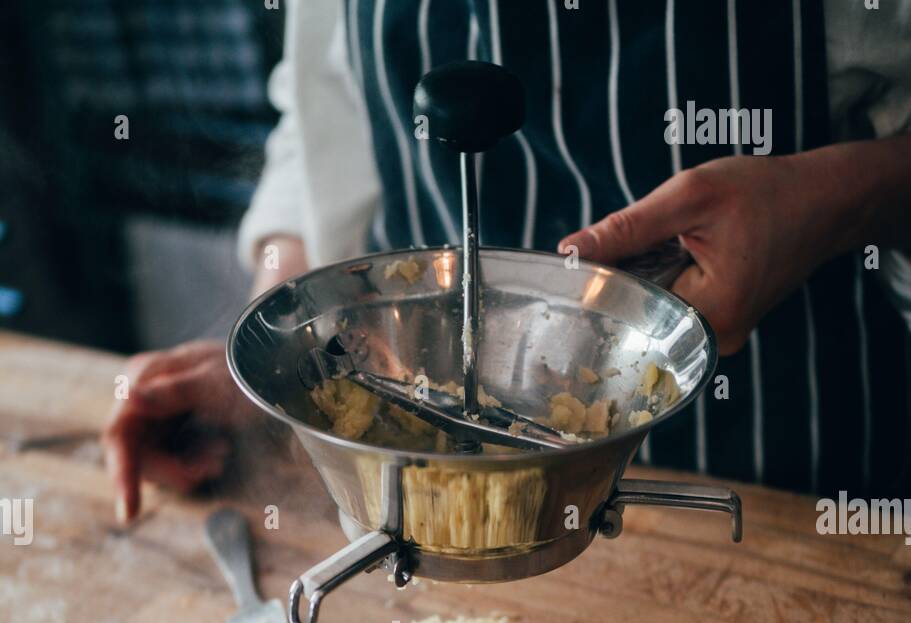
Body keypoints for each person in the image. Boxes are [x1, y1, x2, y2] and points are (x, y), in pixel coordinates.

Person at [104, 0, 911, 522]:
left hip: (783, 486)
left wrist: (838, 200)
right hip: (424, 493)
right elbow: (325, 107)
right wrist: (282, 358)